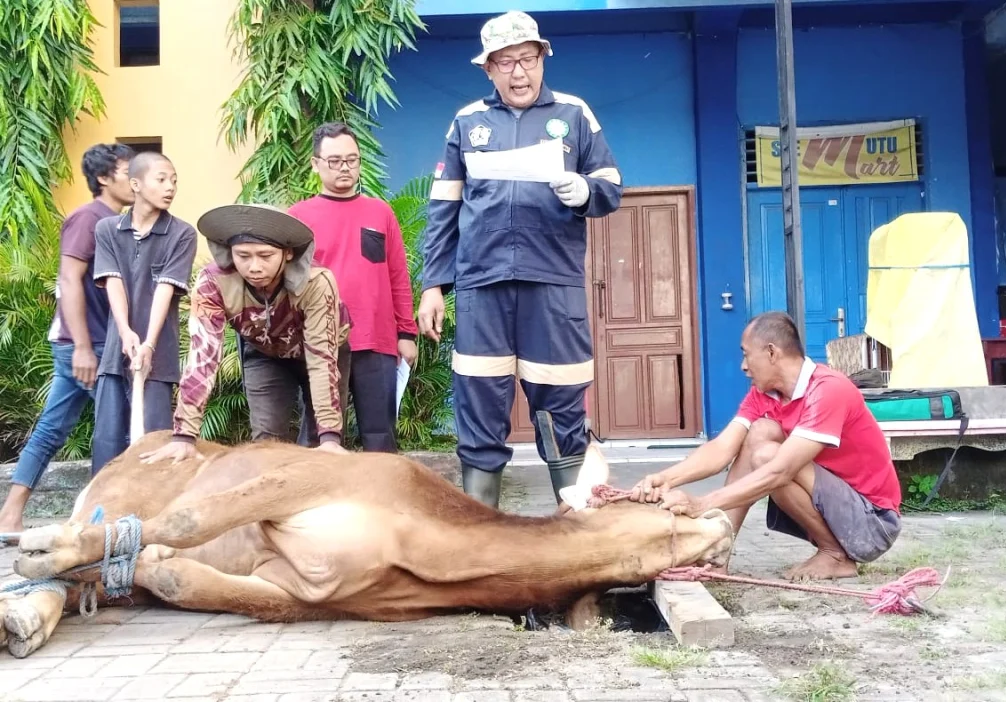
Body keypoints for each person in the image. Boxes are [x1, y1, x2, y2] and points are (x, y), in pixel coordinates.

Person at [416, 10, 623, 508]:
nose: (518, 73)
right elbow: (444, 208)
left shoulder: (574, 114)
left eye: (526, 60)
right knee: (480, 400)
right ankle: (480, 536)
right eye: (505, 63)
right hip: (482, 285)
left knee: (560, 400)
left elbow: (612, 188)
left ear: (542, 59)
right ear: (488, 69)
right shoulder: (468, 122)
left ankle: (575, 537)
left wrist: (584, 190)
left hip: (553, 284)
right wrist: (432, 286)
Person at [630, 311, 903, 581]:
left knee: (769, 456)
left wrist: (702, 504)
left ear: (772, 352)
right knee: (761, 432)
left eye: (747, 354)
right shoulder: (764, 394)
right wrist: (664, 479)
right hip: (834, 510)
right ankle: (716, 555)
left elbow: (780, 471)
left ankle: (835, 556)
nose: (743, 366)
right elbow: (721, 449)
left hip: (873, 523)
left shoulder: (828, 389)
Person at [139, 204, 351, 464]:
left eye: (265, 255)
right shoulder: (213, 282)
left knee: (321, 444)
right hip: (264, 354)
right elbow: (202, 359)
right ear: (230, 253)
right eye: (243, 256)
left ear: (287, 253)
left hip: (323, 352)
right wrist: (184, 436)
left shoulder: (317, 282)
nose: (254, 266)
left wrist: (329, 436)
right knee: (266, 441)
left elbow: (321, 359)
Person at [0, 143, 136, 533]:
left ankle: (11, 515)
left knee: (53, 427)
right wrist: (81, 346)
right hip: (84, 344)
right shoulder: (87, 218)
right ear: (105, 178)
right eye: (129, 172)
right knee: (124, 428)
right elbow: (68, 279)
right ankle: (105, 520)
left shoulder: (118, 221)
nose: (136, 180)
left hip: (99, 343)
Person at [288, 122, 418, 453]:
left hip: (377, 341)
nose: (345, 168)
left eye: (352, 159)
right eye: (334, 161)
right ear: (315, 164)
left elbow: (397, 276)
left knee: (381, 439)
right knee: (322, 439)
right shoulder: (298, 217)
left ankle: (382, 505)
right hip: (322, 344)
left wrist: (407, 334)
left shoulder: (381, 212)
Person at [91, 152, 198, 474]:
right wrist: (125, 332)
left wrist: (149, 344)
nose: (170, 187)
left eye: (174, 181)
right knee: (106, 445)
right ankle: (100, 521)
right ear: (136, 184)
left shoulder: (182, 233)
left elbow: (165, 290)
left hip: (158, 360)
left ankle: (146, 522)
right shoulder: (107, 229)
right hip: (114, 356)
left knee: (153, 448)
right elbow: (114, 282)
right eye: (162, 179)